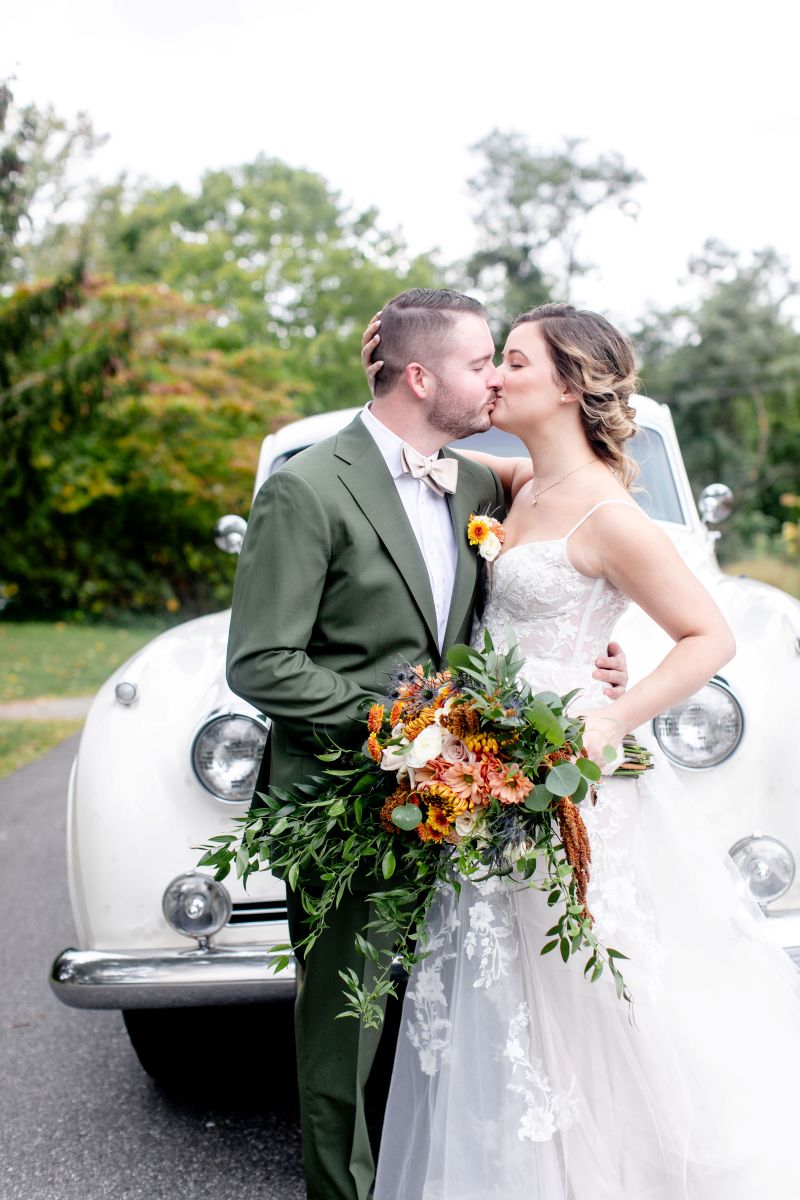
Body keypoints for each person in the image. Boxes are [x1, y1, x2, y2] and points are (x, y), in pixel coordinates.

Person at [369, 304, 800, 1199]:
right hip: (488, 771)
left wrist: (611, 718)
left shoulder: (610, 512)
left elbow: (706, 636)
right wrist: (385, 369)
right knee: (512, 990)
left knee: (582, 986)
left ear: (566, 384)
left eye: (511, 361)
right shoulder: (523, 482)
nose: (492, 377)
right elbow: (421, 440)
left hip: (573, 780)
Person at [226, 289, 628, 1200]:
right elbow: (261, 663)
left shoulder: (476, 480)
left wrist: (603, 643)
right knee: (344, 1041)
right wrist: (405, 727)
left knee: (439, 1030)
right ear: (420, 376)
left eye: (502, 361)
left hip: (462, 812)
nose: (493, 377)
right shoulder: (306, 487)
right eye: (481, 360)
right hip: (344, 805)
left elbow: (570, 509)